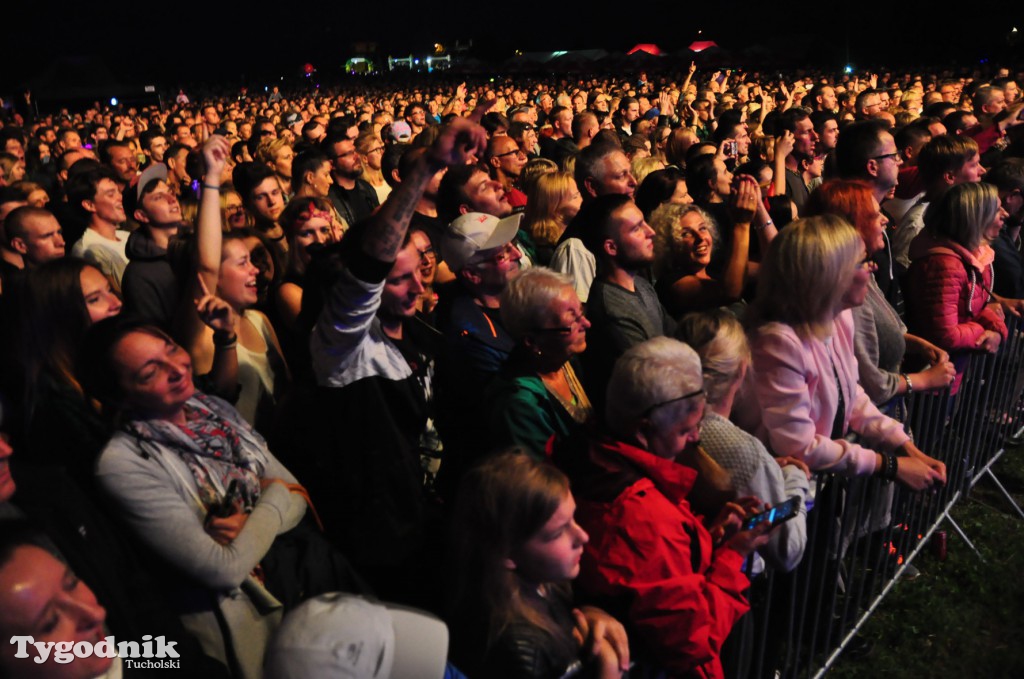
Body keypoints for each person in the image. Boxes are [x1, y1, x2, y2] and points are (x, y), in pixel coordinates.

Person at [79, 319, 308, 679]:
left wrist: (253, 520)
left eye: (171, 348)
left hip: (297, 579)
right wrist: (275, 496)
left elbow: (296, 492)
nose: (176, 368)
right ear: (120, 396)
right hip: (244, 619)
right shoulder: (123, 463)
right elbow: (222, 568)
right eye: (150, 372)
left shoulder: (211, 409)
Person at [561, 337, 770, 678]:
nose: (695, 439)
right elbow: (691, 638)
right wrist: (734, 554)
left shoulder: (587, 455)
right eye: (686, 429)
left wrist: (707, 539)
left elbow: (658, 579)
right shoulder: (642, 519)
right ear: (644, 430)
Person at [747, 216, 946, 488]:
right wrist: (889, 465)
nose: (872, 268)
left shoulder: (838, 317)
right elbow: (798, 446)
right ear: (830, 274)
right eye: (863, 262)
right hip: (783, 490)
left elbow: (850, 393)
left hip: (821, 476)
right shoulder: (778, 342)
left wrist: (906, 447)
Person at [448, 450, 629, 679]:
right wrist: (608, 665)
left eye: (573, 518)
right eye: (558, 533)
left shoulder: (545, 582)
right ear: (506, 553)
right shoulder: (519, 652)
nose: (583, 536)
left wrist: (589, 613)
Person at [675, 309, 810, 573]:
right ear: (741, 370)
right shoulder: (743, 452)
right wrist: (794, 478)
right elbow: (787, 551)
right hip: (728, 584)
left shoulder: (665, 424)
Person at [804, 179, 955, 409]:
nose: (885, 219)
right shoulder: (845, 290)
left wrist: (920, 345)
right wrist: (924, 380)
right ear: (851, 226)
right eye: (875, 215)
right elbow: (869, 383)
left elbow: (889, 327)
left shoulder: (864, 271)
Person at [19, 259, 121, 485]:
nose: (115, 302)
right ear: (61, 317)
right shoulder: (56, 403)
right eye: (95, 299)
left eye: (110, 290)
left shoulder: (104, 360)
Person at [905, 182, 1011, 394]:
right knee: (931, 425)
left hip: (953, 371)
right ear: (975, 217)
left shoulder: (974, 256)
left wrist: (998, 330)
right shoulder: (945, 265)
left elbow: (978, 310)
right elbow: (945, 334)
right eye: (996, 209)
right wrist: (985, 332)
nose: (1005, 214)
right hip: (930, 380)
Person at [485, 268, 593, 458]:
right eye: (572, 321)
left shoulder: (563, 361)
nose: (586, 324)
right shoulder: (520, 405)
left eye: (581, 313)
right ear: (532, 341)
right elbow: (545, 476)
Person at [521, 171, 582, 265]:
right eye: (575, 197)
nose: (582, 200)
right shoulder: (548, 252)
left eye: (580, 194)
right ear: (553, 207)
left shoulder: (576, 233)